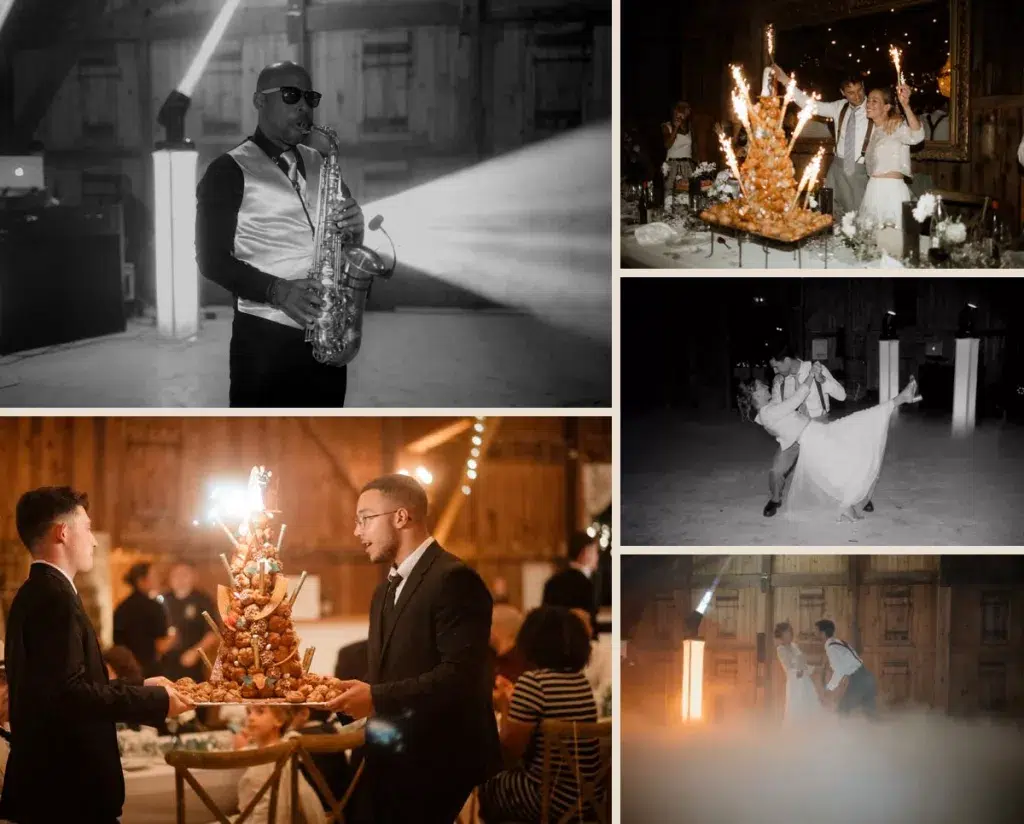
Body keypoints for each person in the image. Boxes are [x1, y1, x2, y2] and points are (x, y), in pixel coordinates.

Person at [0, 487, 191, 824]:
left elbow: (65, 684)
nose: (95, 541)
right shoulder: (52, 599)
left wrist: (141, 685)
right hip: (66, 796)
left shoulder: (39, 592)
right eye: (87, 529)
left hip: (55, 791)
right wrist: (155, 702)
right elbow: (70, 695)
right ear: (63, 532)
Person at [324, 473, 501, 823]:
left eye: (365, 519)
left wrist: (375, 697)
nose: (357, 532)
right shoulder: (384, 591)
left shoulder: (453, 579)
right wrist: (330, 696)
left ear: (401, 517)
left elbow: (461, 677)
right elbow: (386, 674)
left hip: (442, 760)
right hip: (392, 756)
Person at [196, 60, 365, 408]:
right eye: (291, 95)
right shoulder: (227, 170)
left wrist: (354, 228)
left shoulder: (322, 161)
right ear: (260, 101)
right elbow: (211, 261)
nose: (303, 106)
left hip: (327, 333)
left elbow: (345, 244)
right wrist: (277, 290)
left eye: (310, 97)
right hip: (263, 343)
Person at [478, 606, 602, 823]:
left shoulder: (534, 683)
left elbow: (507, 753)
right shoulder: (581, 683)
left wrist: (504, 705)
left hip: (546, 798)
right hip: (585, 800)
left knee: (487, 781)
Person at [744, 373, 922, 522]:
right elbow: (796, 400)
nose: (766, 386)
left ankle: (901, 398)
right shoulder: (767, 413)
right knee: (855, 433)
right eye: (762, 386)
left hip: (817, 432)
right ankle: (901, 398)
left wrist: (777, 384)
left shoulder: (768, 409)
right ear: (755, 395)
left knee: (857, 425)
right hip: (813, 439)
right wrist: (810, 376)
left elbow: (778, 401)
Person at [765, 347, 853, 516]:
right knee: (776, 470)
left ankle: (856, 497)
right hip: (793, 430)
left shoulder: (816, 367)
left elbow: (842, 396)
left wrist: (821, 380)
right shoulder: (780, 380)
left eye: (776, 367)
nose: (774, 371)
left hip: (818, 425)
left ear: (788, 361)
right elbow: (777, 409)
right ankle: (775, 499)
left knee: (838, 465)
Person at [774, 66, 870, 222]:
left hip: (859, 170)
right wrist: (785, 81)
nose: (857, 96)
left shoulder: (874, 108)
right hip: (837, 168)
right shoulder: (839, 106)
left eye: (860, 90)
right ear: (843, 93)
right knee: (828, 214)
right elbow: (809, 104)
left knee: (858, 219)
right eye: (851, 93)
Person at [232, 705, 325, 824]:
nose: (250, 718)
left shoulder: (268, 760)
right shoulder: (286, 747)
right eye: (249, 712)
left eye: (260, 712)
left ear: (279, 720)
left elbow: (270, 810)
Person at [858, 85, 924, 231]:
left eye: (875, 101)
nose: (869, 104)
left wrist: (905, 106)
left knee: (894, 242)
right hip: (873, 189)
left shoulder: (895, 126)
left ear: (886, 107)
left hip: (892, 191)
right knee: (870, 241)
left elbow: (918, 136)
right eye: (868, 100)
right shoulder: (875, 130)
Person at [159, 561, 218, 683]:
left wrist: (195, 652)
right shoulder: (162, 600)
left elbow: (212, 633)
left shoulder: (202, 600)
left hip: (192, 664)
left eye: (184, 574)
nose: (179, 579)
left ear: (194, 576)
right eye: (175, 575)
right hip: (165, 665)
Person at [113, 562, 173, 679]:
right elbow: (161, 645)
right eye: (154, 576)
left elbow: (117, 643)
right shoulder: (154, 606)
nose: (158, 580)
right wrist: (174, 638)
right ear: (141, 581)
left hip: (126, 672)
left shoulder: (121, 607)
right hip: (151, 673)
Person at [814, 619, 877, 717]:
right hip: (866, 676)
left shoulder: (831, 648)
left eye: (816, 631)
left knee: (843, 711)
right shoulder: (839, 642)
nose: (815, 634)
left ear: (823, 633)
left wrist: (829, 688)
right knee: (870, 714)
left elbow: (839, 671)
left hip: (859, 680)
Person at [542, 530, 599, 636]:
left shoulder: (552, 582)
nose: (597, 557)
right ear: (585, 553)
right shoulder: (585, 584)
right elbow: (589, 624)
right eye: (595, 552)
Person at [773, 622, 821, 721]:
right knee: (796, 707)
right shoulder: (780, 649)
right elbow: (789, 666)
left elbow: (802, 662)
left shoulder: (794, 646)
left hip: (805, 680)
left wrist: (814, 668)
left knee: (809, 704)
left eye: (790, 631)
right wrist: (800, 668)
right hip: (794, 681)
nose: (790, 634)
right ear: (781, 635)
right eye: (787, 632)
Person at [662, 101, 695, 195]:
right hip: (672, 165)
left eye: (685, 112)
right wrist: (675, 128)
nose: (681, 115)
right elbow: (667, 145)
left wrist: (694, 163)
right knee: (671, 195)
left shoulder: (689, 127)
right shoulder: (666, 126)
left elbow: (693, 147)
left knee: (684, 195)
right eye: (679, 112)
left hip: (686, 166)